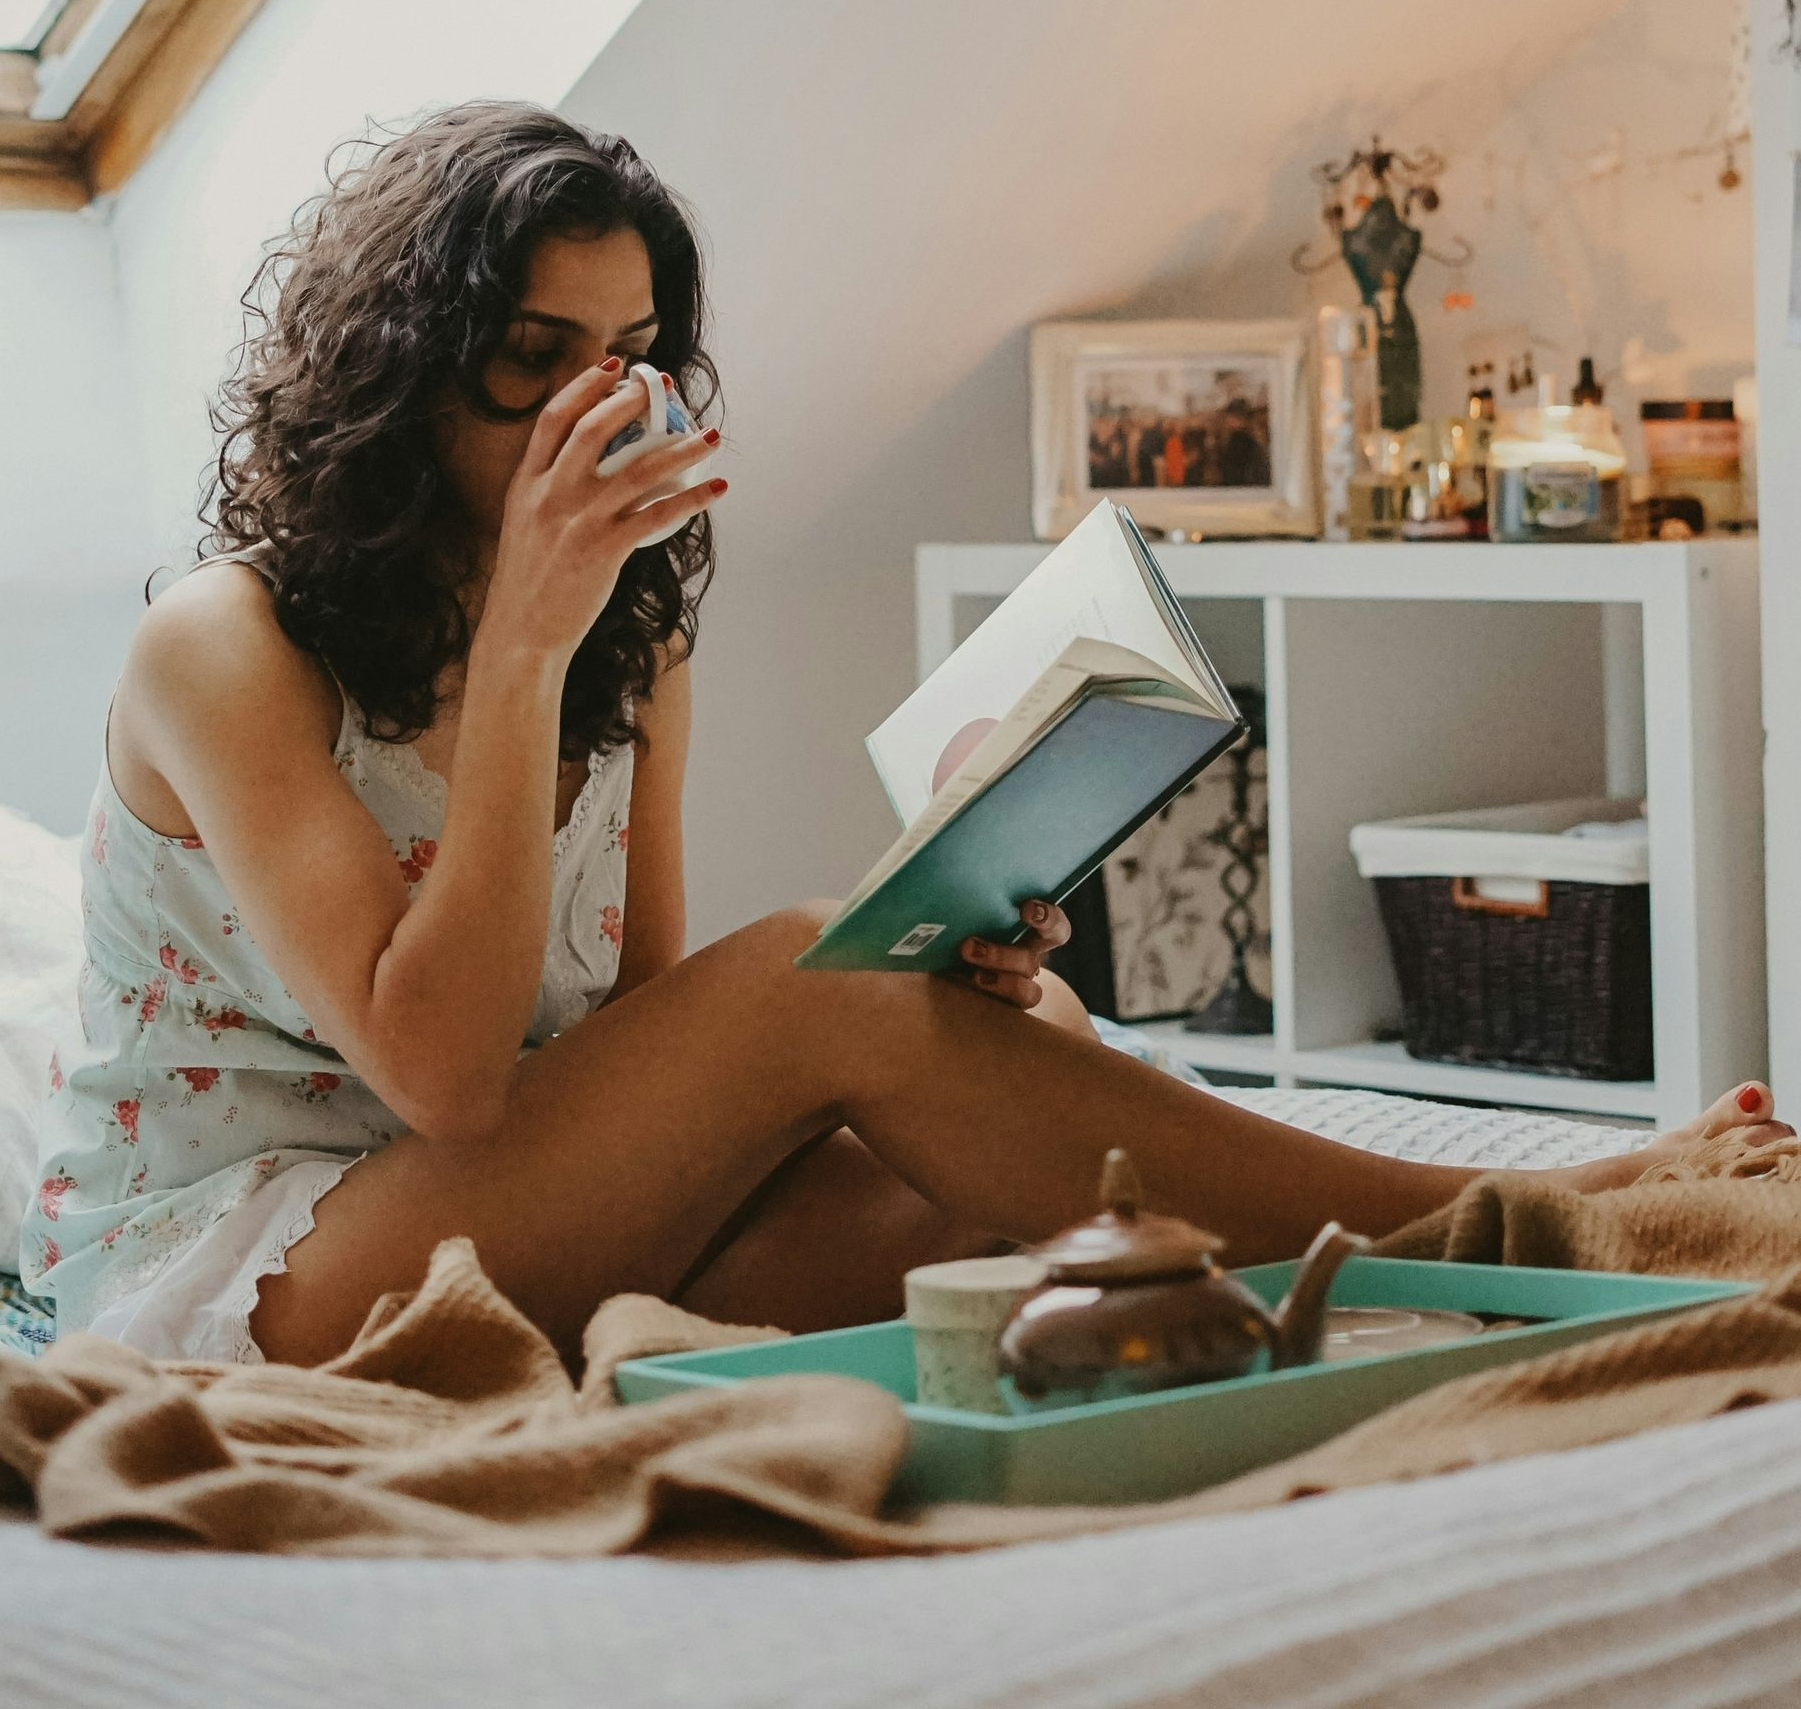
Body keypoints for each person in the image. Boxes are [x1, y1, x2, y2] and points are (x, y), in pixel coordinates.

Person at [24, 104, 1788, 1370]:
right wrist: (520, 653)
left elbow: (626, 1055)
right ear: (403, 370)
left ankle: (1417, 1254)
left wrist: (944, 966)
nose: (598, 404)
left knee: (1002, 1147)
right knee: (819, 975)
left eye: (632, 355)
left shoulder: (632, 640)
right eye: (534, 353)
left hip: (495, 1209)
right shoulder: (229, 647)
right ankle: (1505, 1220)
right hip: (261, 1260)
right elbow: (450, 1078)